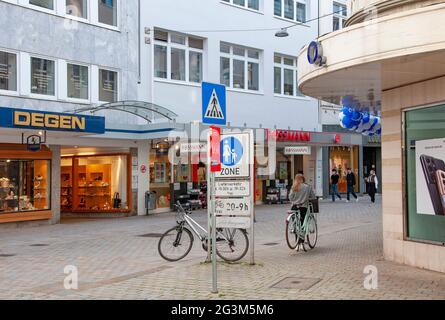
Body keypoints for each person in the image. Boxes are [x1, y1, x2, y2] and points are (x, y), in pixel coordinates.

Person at [289, 174, 315, 242]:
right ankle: (301, 240)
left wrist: (295, 200)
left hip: (294, 206)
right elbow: (313, 197)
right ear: (303, 179)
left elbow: (290, 197)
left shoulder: (294, 186)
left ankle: (296, 240)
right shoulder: (308, 187)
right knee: (302, 222)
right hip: (303, 206)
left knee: (296, 223)